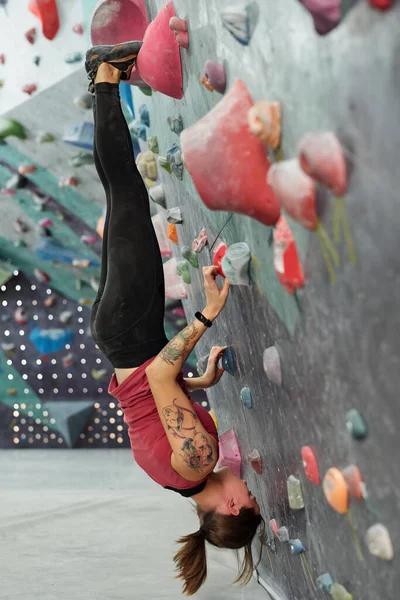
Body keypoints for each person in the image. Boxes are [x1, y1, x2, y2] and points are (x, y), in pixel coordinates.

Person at [86, 41, 265, 596]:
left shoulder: (199, 460)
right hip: (119, 337)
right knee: (121, 196)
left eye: (249, 494)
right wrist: (202, 383)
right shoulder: (176, 480)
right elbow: (150, 403)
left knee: (128, 192)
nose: (247, 483)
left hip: (132, 328)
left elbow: (156, 379)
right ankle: (104, 81)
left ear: (232, 507)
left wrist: (207, 317)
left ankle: (106, 76)